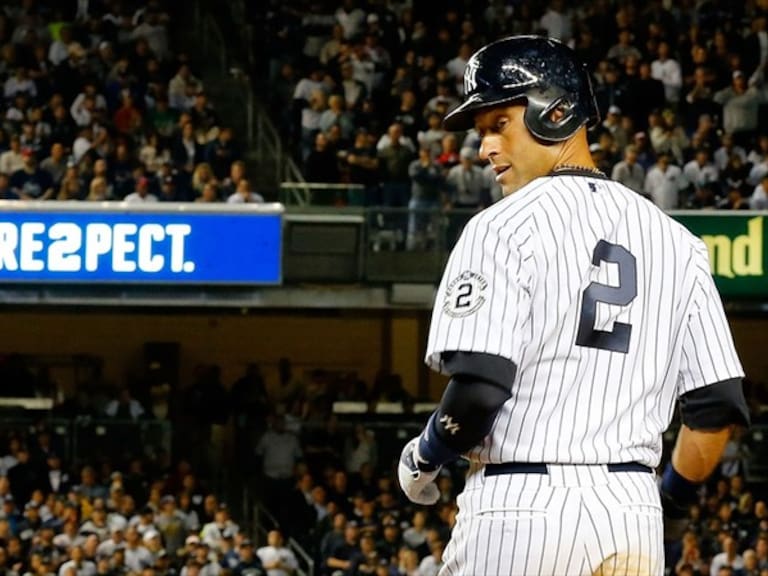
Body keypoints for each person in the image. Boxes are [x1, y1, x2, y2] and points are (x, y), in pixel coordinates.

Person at [397, 35, 750, 576]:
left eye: (499, 124)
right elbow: (716, 407)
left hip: (520, 508)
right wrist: (670, 506)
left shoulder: (500, 226)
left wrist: (425, 455)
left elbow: (480, 388)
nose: (484, 148)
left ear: (556, 112)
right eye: (481, 132)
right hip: (632, 512)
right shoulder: (679, 242)